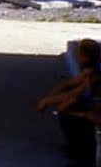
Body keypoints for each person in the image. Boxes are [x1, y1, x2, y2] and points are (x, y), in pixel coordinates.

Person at [38, 38, 101, 167]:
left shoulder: (93, 74)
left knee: (75, 115)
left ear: (83, 55)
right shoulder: (88, 70)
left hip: (96, 112)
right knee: (69, 106)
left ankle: (84, 158)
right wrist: (51, 97)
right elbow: (70, 85)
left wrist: (48, 101)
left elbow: (77, 91)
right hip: (93, 107)